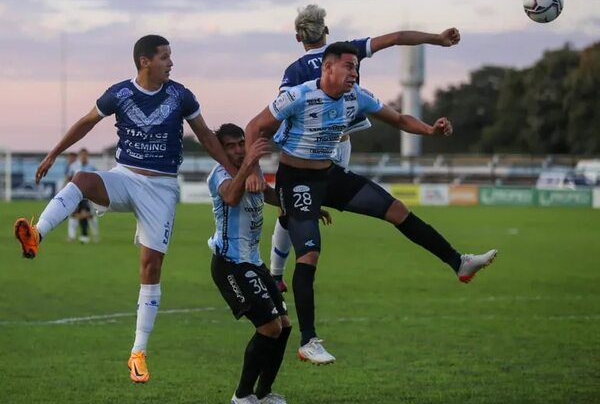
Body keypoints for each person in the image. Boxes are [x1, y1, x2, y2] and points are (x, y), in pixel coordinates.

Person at [246, 41, 497, 365]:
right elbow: (255, 127)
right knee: (308, 254)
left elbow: (401, 119)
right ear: (328, 67)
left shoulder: (356, 97)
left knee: (398, 210)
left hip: (330, 175)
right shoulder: (299, 95)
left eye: (357, 67)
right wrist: (253, 170)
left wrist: (431, 130)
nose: (355, 72)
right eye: (349, 66)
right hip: (296, 181)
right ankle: (308, 341)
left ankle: (458, 263)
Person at [13, 34, 239, 383]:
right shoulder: (119, 93)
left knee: (150, 267)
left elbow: (207, 136)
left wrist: (233, 170)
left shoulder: (181, 95)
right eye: (165, 57)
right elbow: (86, 122)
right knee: (83, 179)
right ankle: (37, 235)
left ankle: (138, 353)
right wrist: (54, 152)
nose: (171, 63)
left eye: (171, 56)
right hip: (125, 176)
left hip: (161, 188)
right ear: (145, 61)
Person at [270, 4, 461, 293]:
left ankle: (275, 273)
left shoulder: (295, 70)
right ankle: (455, 260)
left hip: (300, 156)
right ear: (327, 30)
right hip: (340, 144)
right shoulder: (348, 53)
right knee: (375, 207)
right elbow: (396, 37)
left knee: (291, 212)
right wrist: (438, 38)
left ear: (298, 38)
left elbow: (281, 111)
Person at [208, 124, 323, 404]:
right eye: (230, 146)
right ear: (220, 151)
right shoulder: (219, 175)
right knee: (269, 327)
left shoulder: (253, 169)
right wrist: (249, 164)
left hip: (253, 262)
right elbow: (231, 197)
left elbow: (269, 194)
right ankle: (241, 396)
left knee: (283, 326)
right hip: (229, 263)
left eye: (240, 144)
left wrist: (306, 210)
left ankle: (263, 393)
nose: (237, 150)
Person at [65, 148, 100, 243]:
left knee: (90, 215)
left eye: (85, 155)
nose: (84, 157)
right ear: (79, 156)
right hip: (75, 194)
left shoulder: (92, 167)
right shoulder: (73, 166)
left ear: (87, 156)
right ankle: (71, 236)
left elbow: (97, 179)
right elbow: (68, 179)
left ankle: (95, 235)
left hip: (88, 195)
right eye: (82, 155)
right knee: (73, 214)